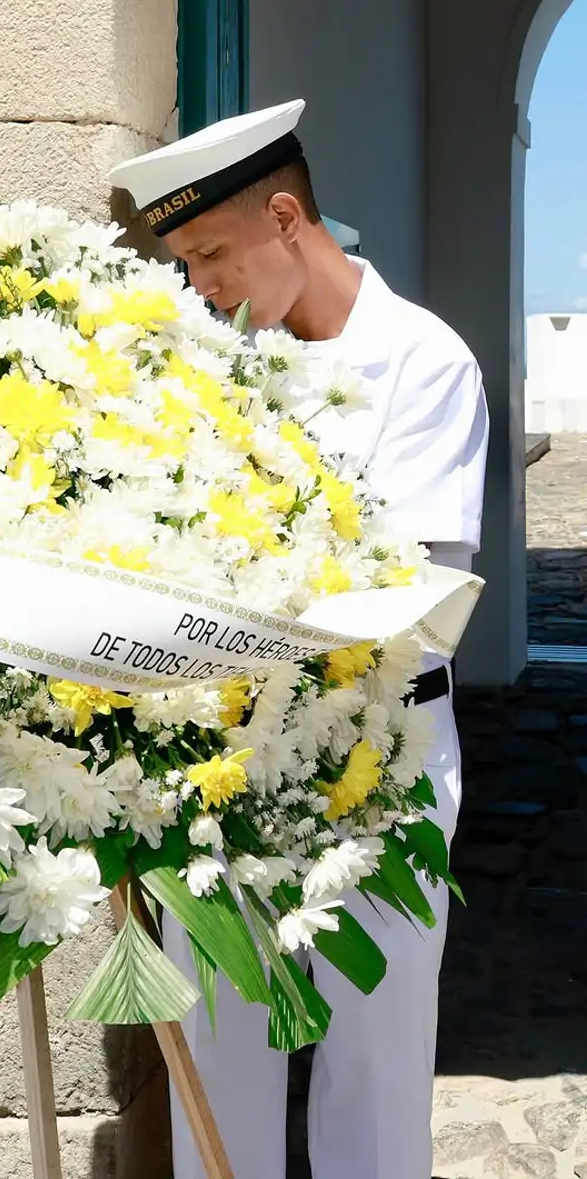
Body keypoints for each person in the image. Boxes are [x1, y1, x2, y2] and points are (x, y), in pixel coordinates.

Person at [111, 100, 489, 1179]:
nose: (203, 290)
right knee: (216, 1067)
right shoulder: (219, 368)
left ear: (287, 216)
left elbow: (411, 592)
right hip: (224, 762)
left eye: (212, 255)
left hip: (382, 759)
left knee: (373, 1067)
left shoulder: (423, 362)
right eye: (185, 266)